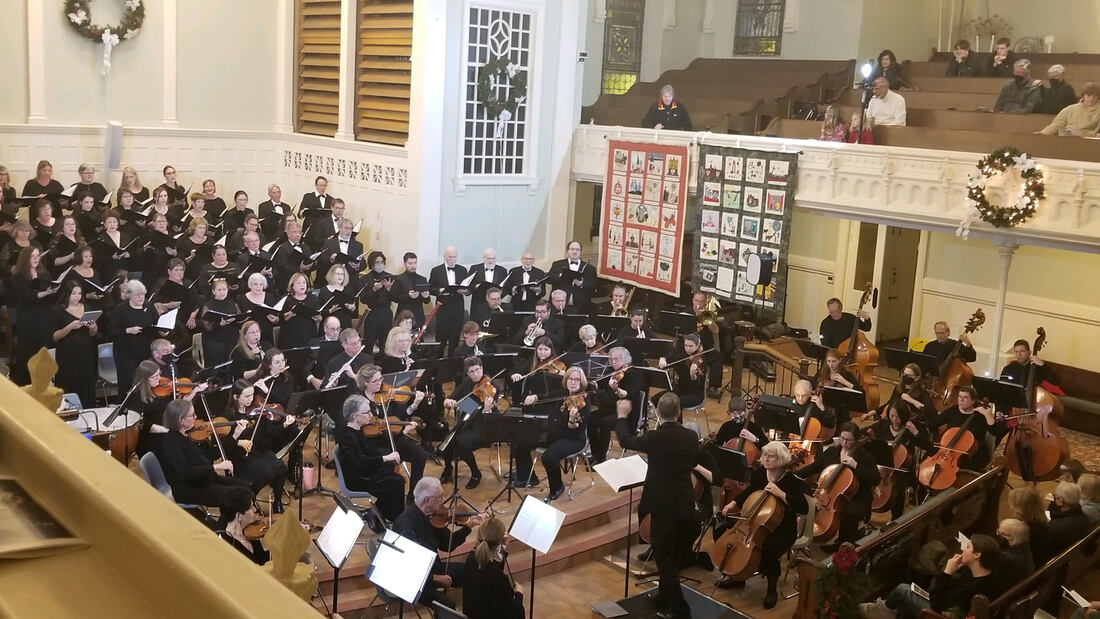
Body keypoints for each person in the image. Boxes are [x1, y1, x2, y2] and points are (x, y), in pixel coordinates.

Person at [613, 393, 697, 618]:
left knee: (664, 558)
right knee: (673, 553)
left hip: (663, 506)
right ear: (679, 413)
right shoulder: (690, 436)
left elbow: (626, 440)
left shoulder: (655, 438)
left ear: (658, 413)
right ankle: (663, 594)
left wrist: (622, 416)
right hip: (685, 502)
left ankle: (680, 609)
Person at [714, 441, 808, 607]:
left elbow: (803, 507)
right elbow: (751, 490)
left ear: (780, 459)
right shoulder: (760, 473)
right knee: (720, 531)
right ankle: (737, 576)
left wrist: (781, 494)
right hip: (754, 521)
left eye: (769, 456)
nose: (764, 459)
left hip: (782, 528)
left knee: (769, 549)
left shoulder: (790, 481)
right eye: (764, 455)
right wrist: (734, 503)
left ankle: (771, 589)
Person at [392, 477, 487, 610]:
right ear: (427, 500)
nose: (443, 501)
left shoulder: (433, 517)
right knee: (447, 606)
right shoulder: (405, 526)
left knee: (476, 573)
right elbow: (405, 567)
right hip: (416, 580)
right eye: (440, 497)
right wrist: (435, 578)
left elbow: (448, 544)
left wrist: (469, 526)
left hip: (434, 568)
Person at [872, 534, 1004, 618]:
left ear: (977, 555)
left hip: (940, 613)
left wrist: (946, 572)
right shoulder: (989, 575)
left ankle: (883, 610)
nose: (963, 548)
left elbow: (936, 602)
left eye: (968, 547)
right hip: (951, 608)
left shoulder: (971, 588)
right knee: (904, 606)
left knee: (903, 590)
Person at [150, 399, 251, 508]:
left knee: (246, 487)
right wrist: (216, 467)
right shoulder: (171, 443)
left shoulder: (188, 435)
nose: (196, 417)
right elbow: (185, 473)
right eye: (192, 415)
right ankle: (227, 524)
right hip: (189, 490)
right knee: (239, 496)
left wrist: (235, 436)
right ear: (181, 420)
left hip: (204, 480)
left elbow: (212, 453)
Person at [799, 422, 880, 546]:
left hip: (856, 497)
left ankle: (844, 545)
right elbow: (814, 467)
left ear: (857, 439)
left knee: (849, 513)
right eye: (842, 439)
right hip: (830, 493)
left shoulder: (864, 456)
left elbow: (875, 478)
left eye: (849, 440)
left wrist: (855, 465)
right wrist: (795, 475)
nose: (844, 443)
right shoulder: (832, 452)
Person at [355, 363, 426, 502]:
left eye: (381, 379)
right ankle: (388, 502)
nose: (380, 383)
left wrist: (414, 405)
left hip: (393, 436)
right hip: (373, 442)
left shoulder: (386, 395)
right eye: (376, 381)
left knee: (420, 454)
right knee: (389, 465)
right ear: (365, 383)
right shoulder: (358, 400)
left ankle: (412, 496)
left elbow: (401, 416)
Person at [221, 379, 291, 513]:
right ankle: (250, 497)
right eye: (246, 396)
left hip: (259, 451)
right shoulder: (227, 416)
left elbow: (270, 433)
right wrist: (238, 441)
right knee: (268, 470)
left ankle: (277, 501)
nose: (251, 399)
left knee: (280, 466)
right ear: (236, 397)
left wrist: (284, 425)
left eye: (252, 395)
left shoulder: (257, 411)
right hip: (241, 457)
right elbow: (223, 445)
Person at [336, 394, 407, 521]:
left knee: (394, 476)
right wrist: (385, 458)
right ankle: (395, 520)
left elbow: (371, 452)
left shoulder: (359, 430)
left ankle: (379, 514)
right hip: (358, 479)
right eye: (367, 412)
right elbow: (361, 462)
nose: (371, 415)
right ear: (355, 417)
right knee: (396, 482)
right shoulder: (347, 437)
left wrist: (388, 457)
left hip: (367, 473)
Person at [440, 356, 498, 489]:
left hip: (483, 427)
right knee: (446, 442)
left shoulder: (492, 386)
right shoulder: (467, 383)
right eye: (471, 371)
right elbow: (453, 397)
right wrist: (448, 401)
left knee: (461, 442)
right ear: (467, 373)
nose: (476, 374)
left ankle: (476, 473)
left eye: (478, 370)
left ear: (482, 368)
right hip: (466, 422)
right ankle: (448, 468)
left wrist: (488, 409)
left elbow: (494, 416)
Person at [588, 346, 644, 463]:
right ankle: (595, 453)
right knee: (591, 419)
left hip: (625, 412)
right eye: (612, 359)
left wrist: (616, 389)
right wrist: (591, 383)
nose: (613, 362)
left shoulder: (633, 375)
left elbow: (626, 395)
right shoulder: (612, 372)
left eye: (616, 359)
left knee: (605, 423)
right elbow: (600, 384)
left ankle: (601, 457)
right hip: (609, 408)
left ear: (625, 359)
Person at [461, 515, 524, 619]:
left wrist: (502, 551)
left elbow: (490, 570)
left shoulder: (470, 559)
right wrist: (519, 594)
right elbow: (516, 615)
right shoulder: (499, 578)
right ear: (499, 541)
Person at [50, 280, 99, 405]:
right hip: (67, 355)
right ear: (67, 294)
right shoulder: (57, 310)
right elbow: (55, 336)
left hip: (86, 353)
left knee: (86, 383)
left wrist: (93, 327)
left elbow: (93, 334)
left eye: (79, 293)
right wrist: (70, 327)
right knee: (69, 383)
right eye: (74, 294)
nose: (77, 297)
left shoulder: (87, 308)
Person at [110, 279, 162, 392]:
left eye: (143, 294)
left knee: (148, 381)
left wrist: (163, 331)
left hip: (146, 351)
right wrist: (128, 330)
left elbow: (157, 325)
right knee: (128, 382)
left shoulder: (150, 307)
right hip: (126, 353)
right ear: (129, 296)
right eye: (137, 295)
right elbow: (111, 331)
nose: (141, 297)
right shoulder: (120, 309)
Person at [428, 246, 469, 357]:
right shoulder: (436, 270)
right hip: (443, 311)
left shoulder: (462, 270)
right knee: (440, 343)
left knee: (454, 343)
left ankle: (452, 369)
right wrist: (439, 291)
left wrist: (464, 291)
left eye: (454, 257)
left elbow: (468, 288)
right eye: (450, 257)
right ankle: (437, 368)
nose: (452, 259)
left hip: (457, 312)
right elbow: (430, 288)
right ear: (444, 256)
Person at [216, 485, 268, 565]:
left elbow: (261, 558)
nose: (255, 510)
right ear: (238, 515)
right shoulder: (230, 547)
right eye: (251, 508)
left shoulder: (244, 526)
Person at [656, 333, 709, 410]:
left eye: (691, 346)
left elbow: (698, 385)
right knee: (656, 399)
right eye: (685, 345)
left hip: (695, 394)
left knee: (674, 404)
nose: (688, 348)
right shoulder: (682, 356)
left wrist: (693, 376)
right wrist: (663, 359)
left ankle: (676, 422)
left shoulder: (701, 361)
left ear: (697, 346)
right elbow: (670, 358)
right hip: (681, 389)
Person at [358, 250, 394, 353]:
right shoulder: (365, 279)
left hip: (386, 312)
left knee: (385, 344)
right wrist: (373, 290)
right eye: (377, 262)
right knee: (369, 343)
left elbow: (395, 297)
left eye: (381, 262)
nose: (380, 264)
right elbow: (363, 299)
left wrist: (388, 289)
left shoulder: (389, 277)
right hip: (372, 313)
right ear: (372, 264)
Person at [548, 241, 597, 314]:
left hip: (581, 305)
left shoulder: (589, 268)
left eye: (577, 250)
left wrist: (582, 284)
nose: (575, 252)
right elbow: (549, 279)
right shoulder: (557, 264)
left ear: (581, 252)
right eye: (572, 249)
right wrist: (560, 276)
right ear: (568, 251)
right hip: (558, 305)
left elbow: (594, 286)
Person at [1007, 485, 1051, 565]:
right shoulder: (1039, 520)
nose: (1010, 506)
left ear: (1020, 509)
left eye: (1012, 504)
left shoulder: (1028, 530)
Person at [1047, 481, 1092, 556]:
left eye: (1055, 497)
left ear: (1061, 501)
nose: (1054, 500)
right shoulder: (1083, 516)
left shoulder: (1055, 527)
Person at [467, 248, 508, 322]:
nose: (491, 261)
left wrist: (496, 298)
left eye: (493, 258)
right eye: (489, 258)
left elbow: (506, 288)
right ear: (484, 258)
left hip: (495, 305)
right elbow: (468, 286)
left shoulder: (502, 270)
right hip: (478, 304)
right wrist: (476, 286)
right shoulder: (475, 268)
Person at [390, 251, 430, 327]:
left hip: (418, 316)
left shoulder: (422, 279)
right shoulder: (399, 278)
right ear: (404, 264)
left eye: (415, 263)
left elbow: (427, 301)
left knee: (418, 338)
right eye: (410, 263)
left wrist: (426, 296)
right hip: (403, 316)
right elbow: (394, 298)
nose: (413, 266)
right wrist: (408, 296)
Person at [996, 518, 1034, 584]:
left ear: (1017, 538)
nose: (999, 537)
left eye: (1003, 535)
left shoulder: (1006, 558)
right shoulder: (1024, 548)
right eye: (998, 532)